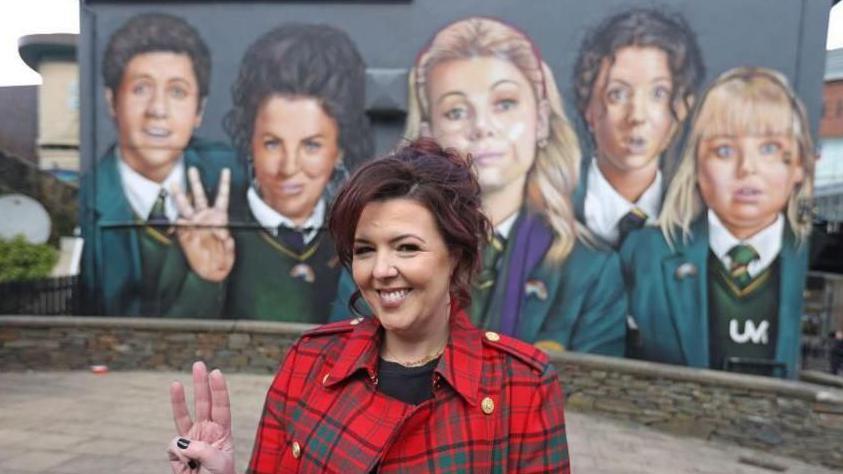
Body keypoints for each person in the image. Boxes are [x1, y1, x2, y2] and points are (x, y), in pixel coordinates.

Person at [166, 139, 570, 473]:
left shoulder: (523, 386)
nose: (380, 270)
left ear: (457, 257)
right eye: (364, 250)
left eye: (407, 248)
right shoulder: (308, 362)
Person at [335, 16, 625, 356]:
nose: (482, 127)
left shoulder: (592, 271)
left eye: (504, 104)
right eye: (456, 111)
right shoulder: (376, 255)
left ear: (542, 120)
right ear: (428, 132)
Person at [620, 67, 815, 378]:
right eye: (724, 150)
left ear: (801, 166)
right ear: (696, 165)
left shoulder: (808, 257)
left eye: (769, 149)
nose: (747, 168)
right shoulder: (646, 254)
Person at [177, 24, 372, 322]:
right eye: (272, 144)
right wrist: (204, 280)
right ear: (249, 142)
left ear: (340, 150)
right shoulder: (203, 233)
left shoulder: (356, 235)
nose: (288, 168)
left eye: (311, 145)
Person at [79, 13, 245, 317]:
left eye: (177, 91)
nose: (158, 110)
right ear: (111, 100)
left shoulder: (239, 175)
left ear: (199, 110)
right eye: (141, 88)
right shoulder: (83, 200)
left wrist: (208, 276)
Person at [571, 8, 705, 248]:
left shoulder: (698, 220)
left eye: (658, 93)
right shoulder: (549, 208)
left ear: (683, 107)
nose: (637, 116)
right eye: (617, 94)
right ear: (587, 107)